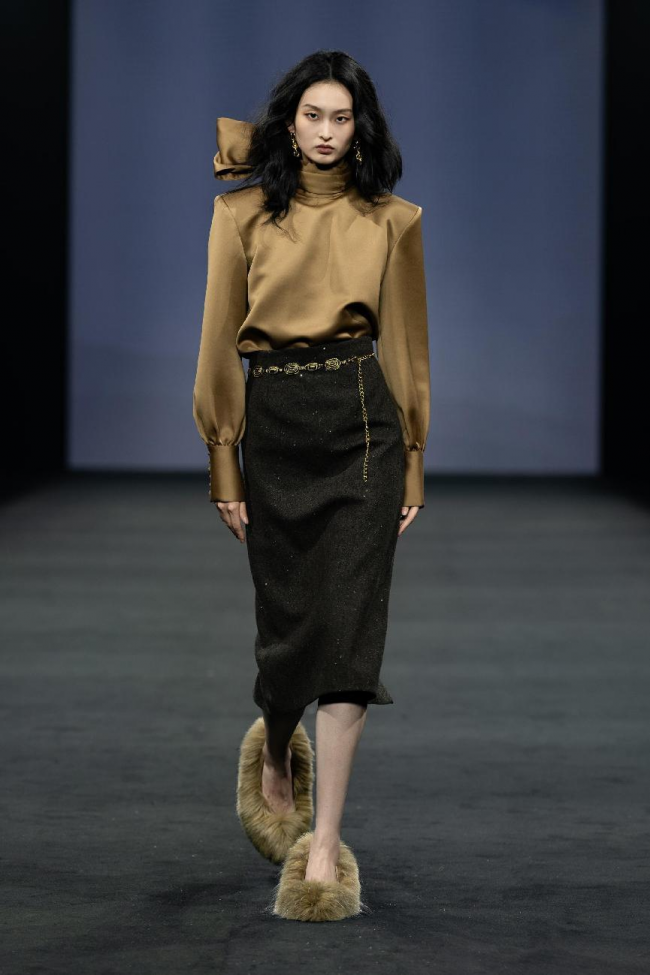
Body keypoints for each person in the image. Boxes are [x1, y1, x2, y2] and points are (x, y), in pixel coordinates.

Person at [192, 50, 430, 921]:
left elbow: (405, 347)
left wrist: (412, 460)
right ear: (289, 123)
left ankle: (324, 843)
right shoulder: (241, 213)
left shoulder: (393, 220)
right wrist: (225, 456)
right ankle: (277, 737)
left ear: (358, 128)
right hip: (276, 429)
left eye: (341, 118)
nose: (327, 132)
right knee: (289, 629)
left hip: (363, 427)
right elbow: (219, 337)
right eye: (313, 115)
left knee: (350, 636)